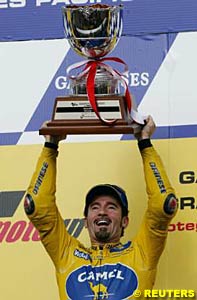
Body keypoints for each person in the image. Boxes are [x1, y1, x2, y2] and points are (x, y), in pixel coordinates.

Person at [24, 116, 177, 300]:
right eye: (95, 207)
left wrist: (144, 142)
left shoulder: (142, 254)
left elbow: (163, 203)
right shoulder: (67, 255)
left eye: (111, 206)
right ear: (86, 221)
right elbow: (37, 206)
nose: (102, 211)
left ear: (125, 221)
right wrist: (51, 145)